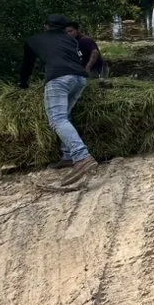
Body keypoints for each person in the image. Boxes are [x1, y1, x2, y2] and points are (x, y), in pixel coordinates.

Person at [20, 14, 98, 184]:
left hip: (59, 78)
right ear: (64, 28)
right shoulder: (70, 40)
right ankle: (68, 155)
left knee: (57, 118)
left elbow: (28, 64)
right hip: (80, 78)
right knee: (66, 114)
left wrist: (23, 83)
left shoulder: (35, 40)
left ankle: (81, 156)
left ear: (46, 26)